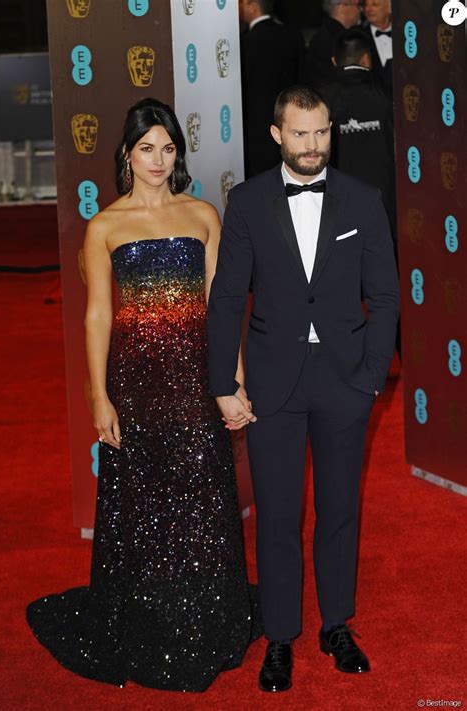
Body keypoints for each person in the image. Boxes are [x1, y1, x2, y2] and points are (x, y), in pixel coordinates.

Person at [26, 98, 261, 692]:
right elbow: (97, 317)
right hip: (135, 385)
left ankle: (204, 618)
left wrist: (230, 382)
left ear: (178, 153)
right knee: (143, 511)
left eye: (168, 147)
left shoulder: (205, 214)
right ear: (127, 155)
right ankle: (147, 621)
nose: (159, 160)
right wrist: (99, 398)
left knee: (202, 501)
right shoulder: (105, 225)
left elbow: (221, 309)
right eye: (146, 148)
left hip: (193, 379)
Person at [207, 86, 399, 692]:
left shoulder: (364, 201)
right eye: (301, 134)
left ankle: (337, 625)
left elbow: (387, 295)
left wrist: (371, 375)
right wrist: (223, 383)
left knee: (341, 510)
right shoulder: (248, 203)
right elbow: (227, 300)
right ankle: (281, 637)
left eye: (322, 133)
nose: (313, 146)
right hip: (272, 382)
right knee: (279, 516)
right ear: (276, 135)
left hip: (345, 380)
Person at [320, 30, 396, 234]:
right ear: (367, 59)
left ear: (335, 61)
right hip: (385, 200)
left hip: (338, 200)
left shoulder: (321, 100)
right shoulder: (388, 94)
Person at [239, 0, 305, 176]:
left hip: (255, 127)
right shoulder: (292, 34)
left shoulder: (246, 42)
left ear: (253, 6)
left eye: (242, 3)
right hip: (291, 118)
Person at [304, 0, 362, 88]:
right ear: (343, 6)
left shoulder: (325, 34)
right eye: (358, 5)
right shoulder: (338, 39)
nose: (361, 10)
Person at [362, 0, 393, 98]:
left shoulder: (403, 34)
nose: (368, 9)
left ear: (389, 8)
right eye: (366, 5)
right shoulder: (358, 36)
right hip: (372, 99)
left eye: (374, 4)